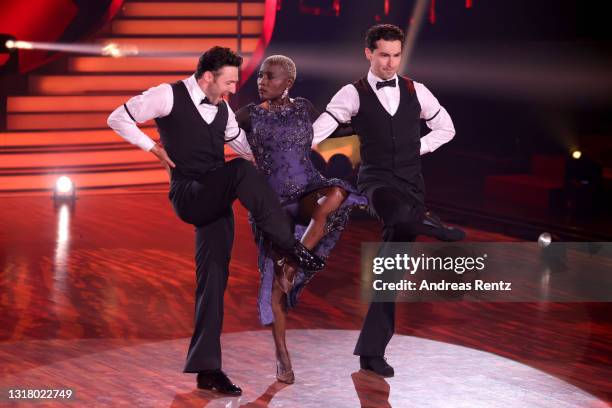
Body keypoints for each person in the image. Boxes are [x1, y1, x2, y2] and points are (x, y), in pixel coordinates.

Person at [107, 46, 326, 396]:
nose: (231, 90)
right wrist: (154, 149)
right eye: (227, 82)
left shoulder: (222, 109)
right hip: (190, 194)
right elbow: (117, 117)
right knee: (238, 172)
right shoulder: (168, 95)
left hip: (216, 197)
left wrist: (283, 163)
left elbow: (243, 147)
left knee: (213, 281)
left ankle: (207, 370)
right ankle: (290, 247)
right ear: (207, 76)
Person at [312, 24, 465, 378]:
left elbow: (447, 128)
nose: (390, 63)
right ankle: (433, 227)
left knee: (389, 275)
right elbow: (322, 126)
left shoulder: (417, 90)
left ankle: (371, 352)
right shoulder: (352, 93)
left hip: (412, 183)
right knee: (396, 213)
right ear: (369, 53)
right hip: (377, 181)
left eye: (396, 55)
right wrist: (295, 146)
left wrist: (419, 147)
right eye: (384, 55)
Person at [235, 55, 368, 384]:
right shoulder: (248, 115)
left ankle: (294, 261)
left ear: (288, 83)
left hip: (308, 189)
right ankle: (282, 356)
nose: (261, 81)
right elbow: (220, 134)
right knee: (276, 293)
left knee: (337, 192)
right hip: (272, 203)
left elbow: (336, 126)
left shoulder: (305, 108)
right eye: (261, 76)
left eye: (270, 77)